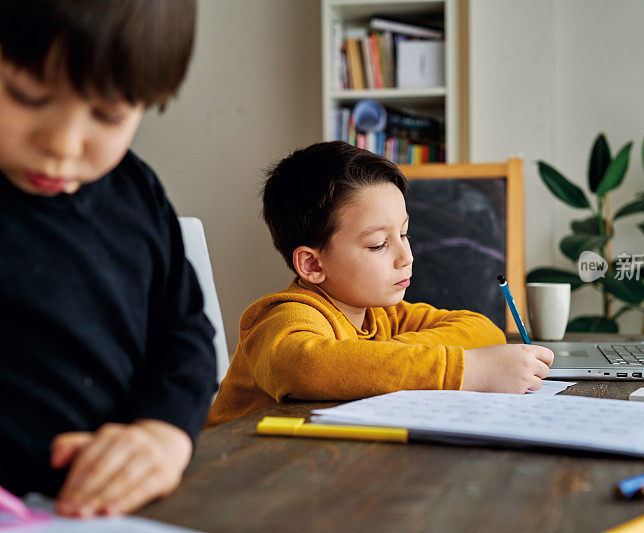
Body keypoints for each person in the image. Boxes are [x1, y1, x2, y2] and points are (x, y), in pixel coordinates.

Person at [0, 0, 216, 518]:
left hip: (109, 510)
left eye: (108, 114)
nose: (62, 143)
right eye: (28, 95)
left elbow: (184, 333)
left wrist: (161, 434)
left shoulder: (136, 193)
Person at [206, 141, 553, 427]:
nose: (407, 256)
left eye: (404, 233)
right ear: (312, 264)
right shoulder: (284, 318)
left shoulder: (382, 315)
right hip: (236, 481)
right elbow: (304, 366)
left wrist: (386, 358)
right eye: (378, 245)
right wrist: (470, 370)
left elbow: (481, 329)